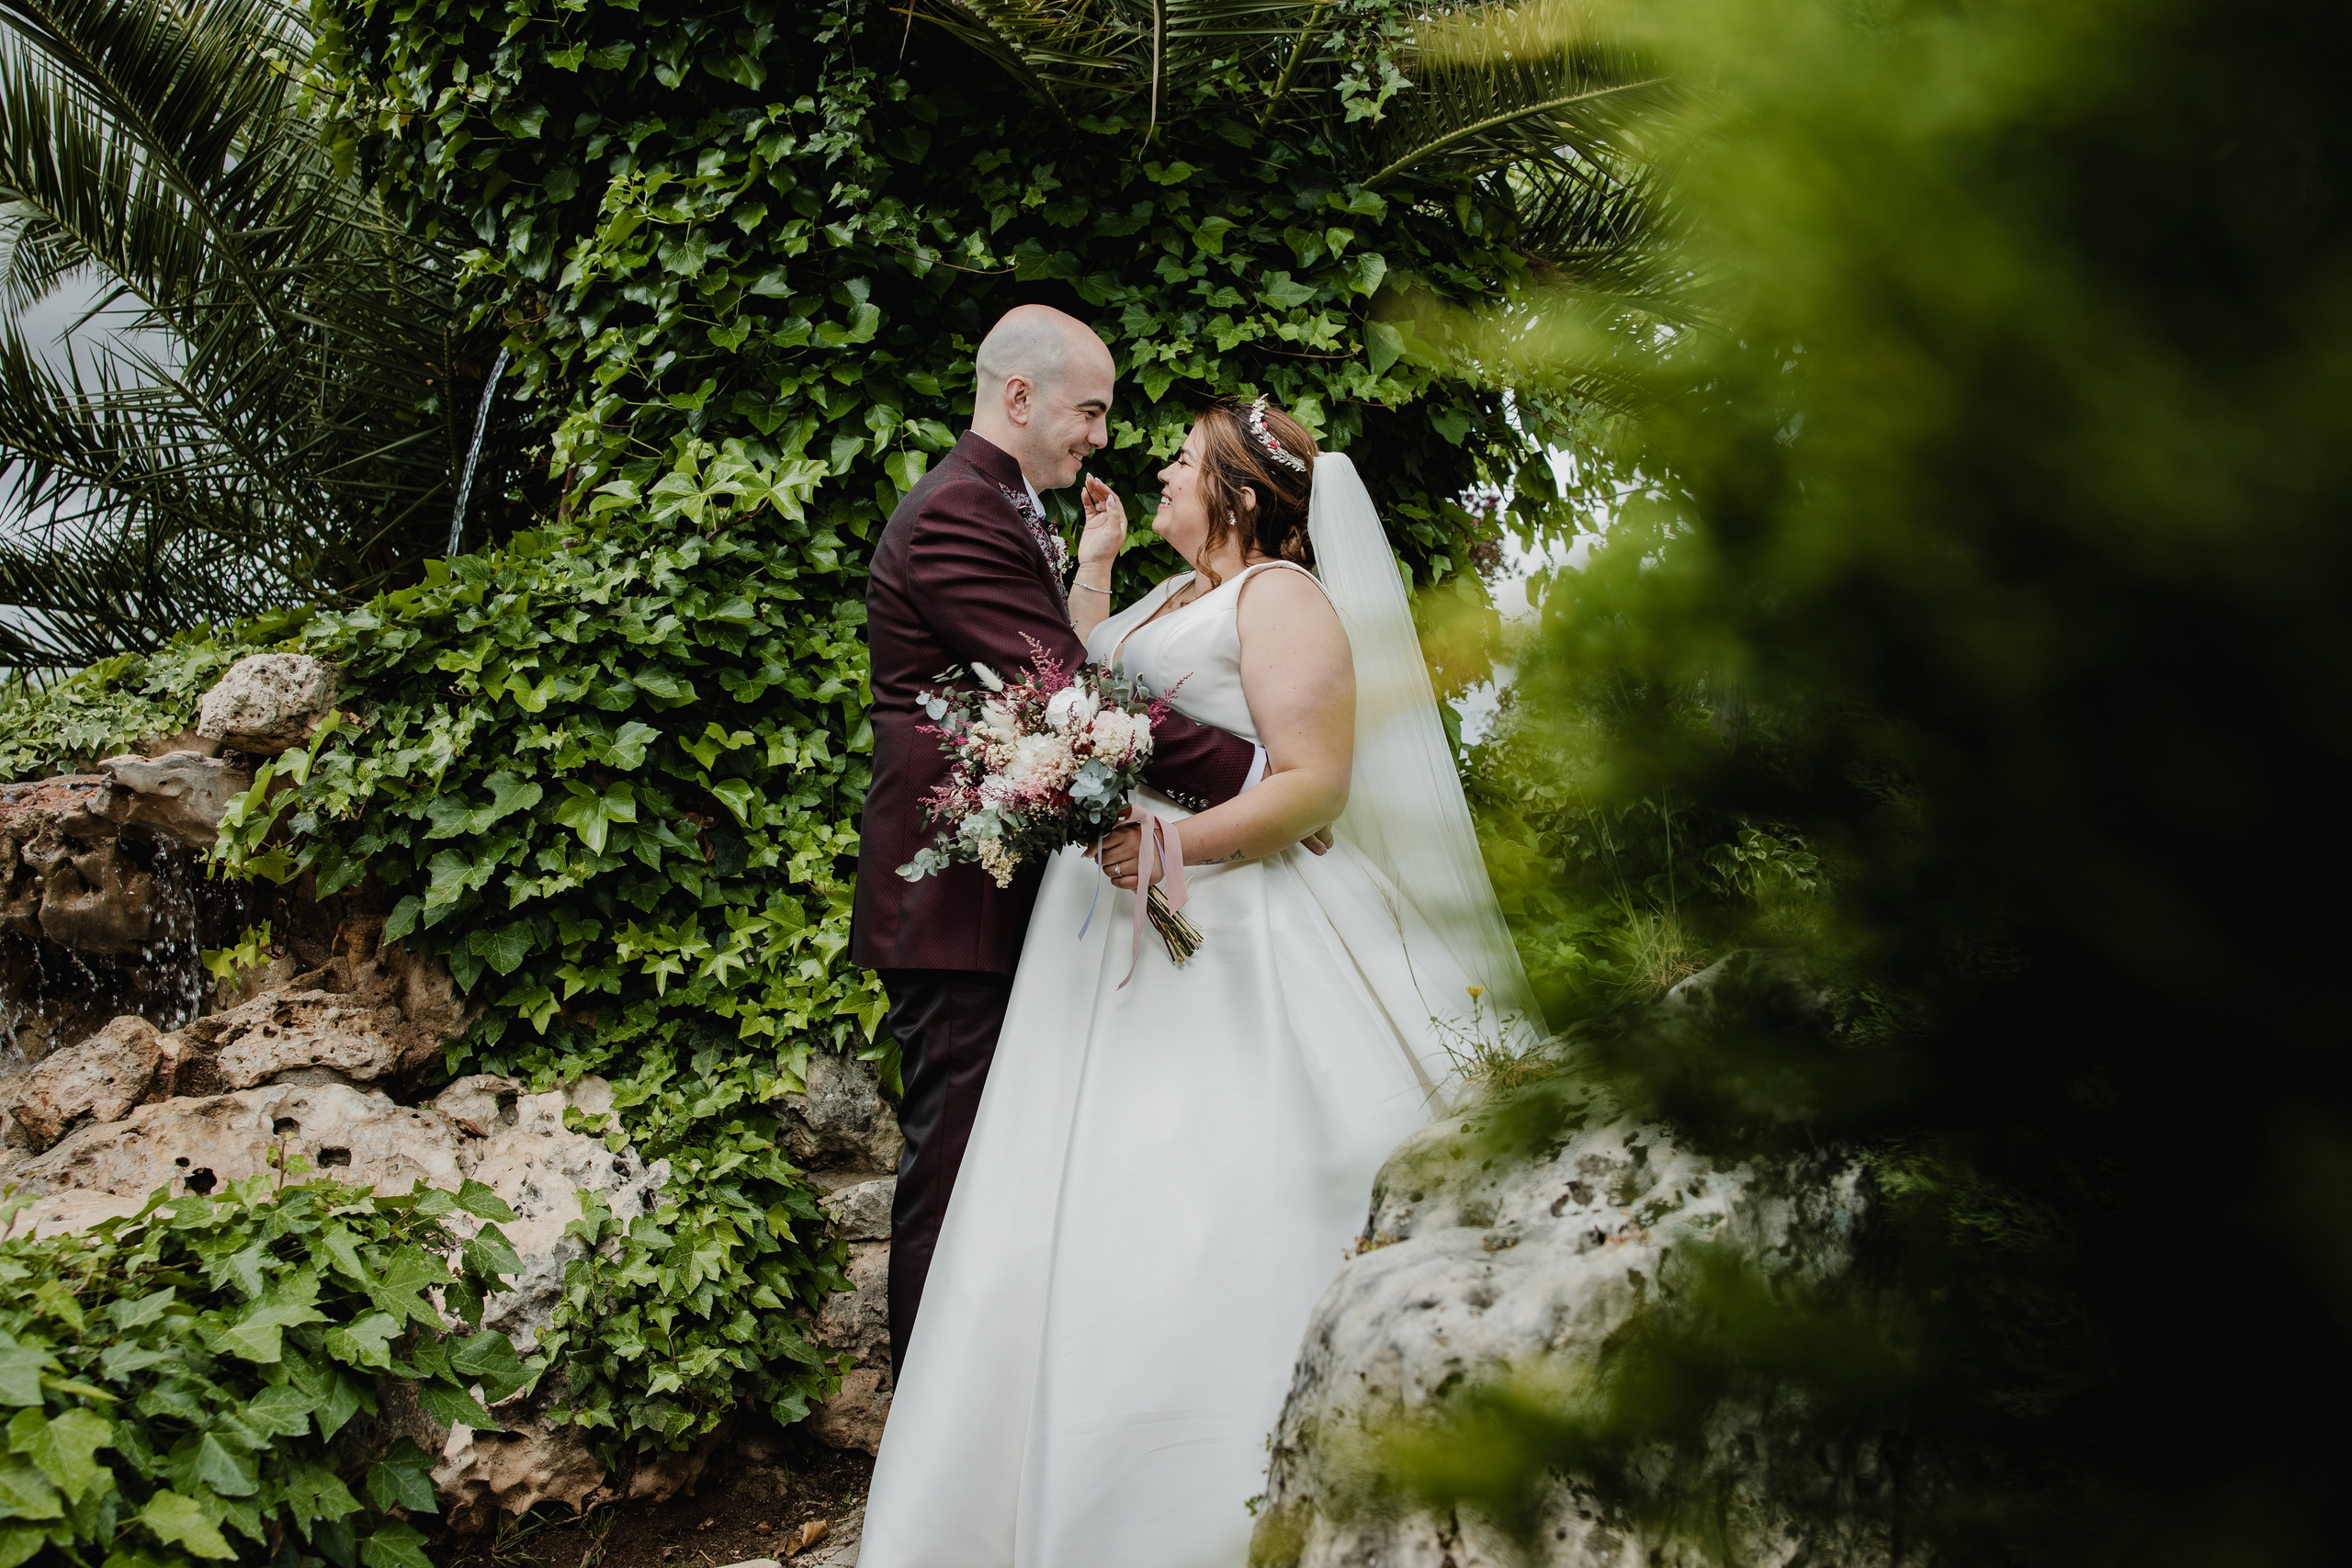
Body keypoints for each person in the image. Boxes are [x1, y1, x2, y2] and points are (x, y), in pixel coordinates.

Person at [859, 395, 1540, 1568]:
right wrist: (1097, 565)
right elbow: (1086, 683)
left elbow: (1314, 783)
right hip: (1102, 941)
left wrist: (1180, 845)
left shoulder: (1281, 598)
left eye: (1180, 459)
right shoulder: (1170, 599)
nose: (1158, 471)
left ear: (1235, 489)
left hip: (1230, 926)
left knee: (1206, 1193)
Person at [853, 306, 1272, 1378]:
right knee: (952, 1176)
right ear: (1021, 397)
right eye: (1090, 410)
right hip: (958, 902)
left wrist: (1091, 563)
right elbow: (1069, 699)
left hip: (1011, 895)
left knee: (1001, 1170)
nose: (1099, 435)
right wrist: (1269, 779)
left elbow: (1063, 664)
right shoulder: (959, 510)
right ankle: (924, 1452)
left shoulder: (1008, 506)